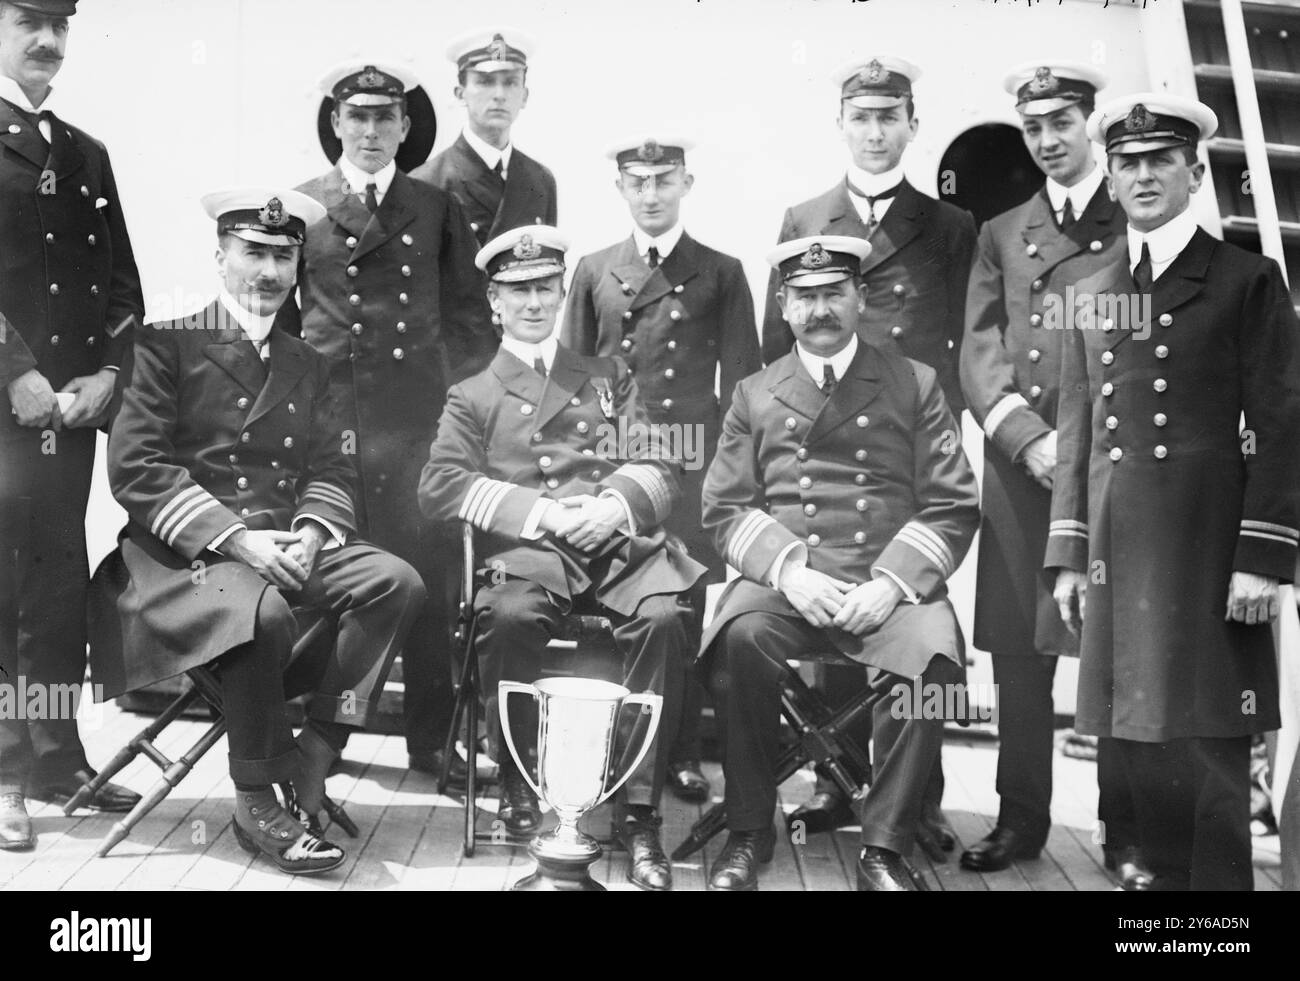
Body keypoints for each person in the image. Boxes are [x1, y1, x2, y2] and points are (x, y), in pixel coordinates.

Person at [106, 187, 426, 874]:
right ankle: (257, 798)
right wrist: (238, 539)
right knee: (263, 609)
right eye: (252, 252)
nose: (268, 271)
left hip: (283, 547)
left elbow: (332, 463)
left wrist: (311, 534)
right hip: (178, 561)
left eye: (283, 256)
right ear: (220, 257)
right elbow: (137, 470)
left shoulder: (309, 363)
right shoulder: (165, 344)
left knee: (393, 581)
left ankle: (315, 749)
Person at [1047, 93, 1300, 890]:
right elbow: (1078, 429)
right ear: (1111, 179)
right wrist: (1067, 554)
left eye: (1162, 160)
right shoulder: (1091, 290)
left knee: (1216, 747)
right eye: (1128, 162)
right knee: (1138, 744)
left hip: (1211, 548)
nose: (1144, 175)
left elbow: (1283, 420)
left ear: (1195, 173)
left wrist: (1264, 555)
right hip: (1119, 556)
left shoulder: (1244, 280)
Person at [420, 225, 705, 891]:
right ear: (494, 301)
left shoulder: (607, 375)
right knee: (510, 616)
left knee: (663, 618)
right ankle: (520, 787)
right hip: (533, 552)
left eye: (545, 287)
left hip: (614, 547)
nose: (533, 302)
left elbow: (661, 458)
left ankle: (639, 814)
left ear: (561, 291)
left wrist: (613, 504)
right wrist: (543, 513)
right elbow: (439, 487)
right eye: (517, 290)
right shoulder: (474, 394)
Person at [701, 235, 979, 891]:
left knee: (931, 661)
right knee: (738, 641)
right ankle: (749, 829)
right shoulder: (754, 392)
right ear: (784, 304)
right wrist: (789, 571)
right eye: (805, 297)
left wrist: (892, 583)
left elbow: (952, 502)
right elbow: (724, 506)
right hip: (787, 586)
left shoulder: (914, 382)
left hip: (885, 581)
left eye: (833, 294)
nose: (820, 309)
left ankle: (883, 845)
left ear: (861, 297)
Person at [760, 53, 974, 854]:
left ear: (912, 126)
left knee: (915, 631)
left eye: (891, 117)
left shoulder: (949, 227)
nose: (876, 131)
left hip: (908, 463)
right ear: (841, 125)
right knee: (830, 631)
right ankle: (834, 783)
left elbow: (960, 344)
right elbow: (768, 353)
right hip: (819, 460)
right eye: (862, 117)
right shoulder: (804, 216)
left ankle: (915, 800)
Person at [958, 61, 1149, 888]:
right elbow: (979, 350)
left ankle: (1126, 828)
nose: (1048, 141)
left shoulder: (1134, 222)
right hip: (1021, 472)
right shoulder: (1001, 232)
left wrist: (1080, 449)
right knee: (1019, 659)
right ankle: (1020, 818)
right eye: (1034, 128)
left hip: (1109, 473)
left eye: (1062, 123)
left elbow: (1147, 349)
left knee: (1115, 651)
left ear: (1091, 125)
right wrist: (1028, 439)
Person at [292, 60, 496, 780]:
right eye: (358, 116)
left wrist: (460, 418)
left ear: (407, 128)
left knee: (431, 590)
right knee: (343, 588)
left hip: (418, 434)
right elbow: (285, 329)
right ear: (336, 124)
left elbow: (473, 320)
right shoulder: (302, 206)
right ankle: (330, 734)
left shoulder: (436, 208)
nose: (372, 130)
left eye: (386, 117)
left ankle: (432, 740)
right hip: (333, 435)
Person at [560, 135, 760, 803]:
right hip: (614, 477)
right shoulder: (592, 270)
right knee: (625, 613)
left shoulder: (722, 271)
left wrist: (731, 480)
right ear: (620, 188)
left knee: (684, 616)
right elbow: (572, 387)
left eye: (664, 180)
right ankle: (604, 754)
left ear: (687, 184)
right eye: (638, 181)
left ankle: (678, 753)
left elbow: (742, 390)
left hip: (694, 473)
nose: (651, 193)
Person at [0, 0, 142, 851]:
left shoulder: (86, 154)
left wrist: (108, 375)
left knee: (54, 582)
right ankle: (3, 769)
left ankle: (54, 756)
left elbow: (122, 284)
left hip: (67, 419)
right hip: (0, 410)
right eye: (28, 20)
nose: (48, 39)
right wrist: (14, 368)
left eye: (61, 24)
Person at [410, 29, 556, 248]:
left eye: (510, 82)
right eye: (485, 82)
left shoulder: (540, 180)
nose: (499, 94)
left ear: (524, 96)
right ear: (460, 94)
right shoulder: (427, 183)